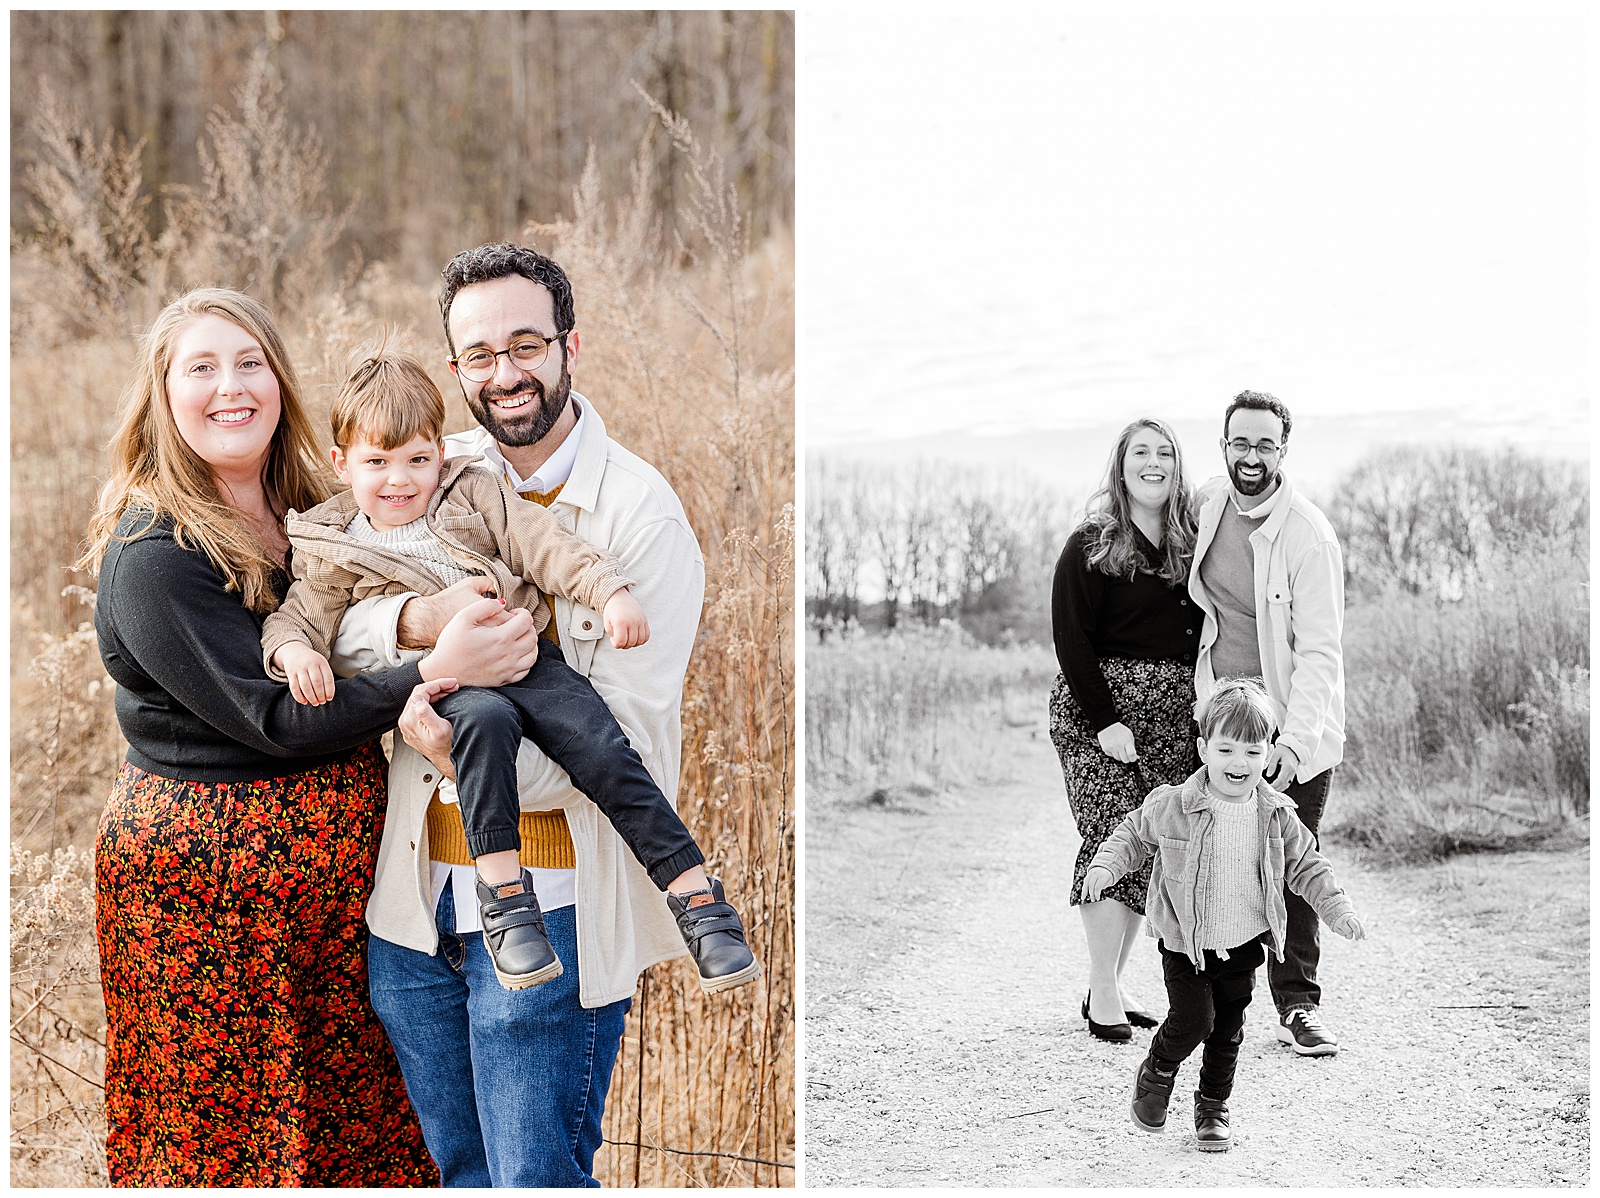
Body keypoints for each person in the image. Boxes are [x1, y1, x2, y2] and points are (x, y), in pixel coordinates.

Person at [80, 288, 538, 1185]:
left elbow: (411, 529)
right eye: (200, 368)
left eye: (249, 362)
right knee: (235, 1144)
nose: (230, 387)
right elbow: (275, 720)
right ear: (162, 393)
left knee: (357, 1131)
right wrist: (439, 664)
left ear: (281, 381)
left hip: (333, 898)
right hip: (210, 901)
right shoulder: (155, 553)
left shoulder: (313, 509)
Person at [328, 243, 728, 1187]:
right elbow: (331, 610)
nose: (504, 374)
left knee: (533, 1180)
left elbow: (617, 740)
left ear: (569, 345)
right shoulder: (424, 465)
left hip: (554, 906)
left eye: (526, 345)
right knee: (460, 1173)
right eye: (479, 353)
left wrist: (442, 734)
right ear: (453, 364)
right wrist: (422, 628)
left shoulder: (639, 518)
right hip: (415, 904)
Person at [263, 346, 757, 994]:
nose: (400, 480)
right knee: (482, 731)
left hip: (528, 658)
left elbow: (543, 544)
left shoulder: (471, 490)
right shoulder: (335, 547)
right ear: (342, 464)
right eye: (377, 463)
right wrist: (294, 653)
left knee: (604, 747)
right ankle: (506, 901)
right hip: (452, 686)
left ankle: (697, 900)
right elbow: (300, 617)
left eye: (417, 459)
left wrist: (609, 591)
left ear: (439, 452)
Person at [1082, 678, 1365, 1152]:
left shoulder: (1276, 814)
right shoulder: (1174, 804)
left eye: (1253, 752)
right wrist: (1107, 865)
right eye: (1227, 749)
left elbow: (1308, 865)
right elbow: (1133, 834)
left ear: (1269, 752)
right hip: (1185, 943)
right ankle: (1157, 1072)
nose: (1239, 763)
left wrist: (1337, 909)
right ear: (1203, 748)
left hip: (1244, 942)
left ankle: (1213, 1107)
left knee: (1228, 1030)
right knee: (1193, 1020)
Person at [1188, 390, 1348, 1056]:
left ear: (1283, 450)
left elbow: (1320, 651)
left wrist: (1297, 744)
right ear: (1223, 444)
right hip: (1219, 719)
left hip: (1288, 727)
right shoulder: (1205, 506)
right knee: (1212, 854)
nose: (1250, 455)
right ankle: (1205, 998)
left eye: (1264, 444)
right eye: (1240, 442)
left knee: (1290, 860)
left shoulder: (1307, 532)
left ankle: (1299, 1005)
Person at [1050, 417, 1202, 1041]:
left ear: (1177, 466)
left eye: (1164, 453)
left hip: (1173, 712)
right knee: (1110, 833)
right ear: (1121, 465)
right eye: (1140, 452)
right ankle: (1106, 989)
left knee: (1147, 845)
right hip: (1101, 708)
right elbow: (1070, 636)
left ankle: (1105, 982)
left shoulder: (1192, 542)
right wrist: (1104, 719)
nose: (1153, 463)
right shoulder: (1091, 542)